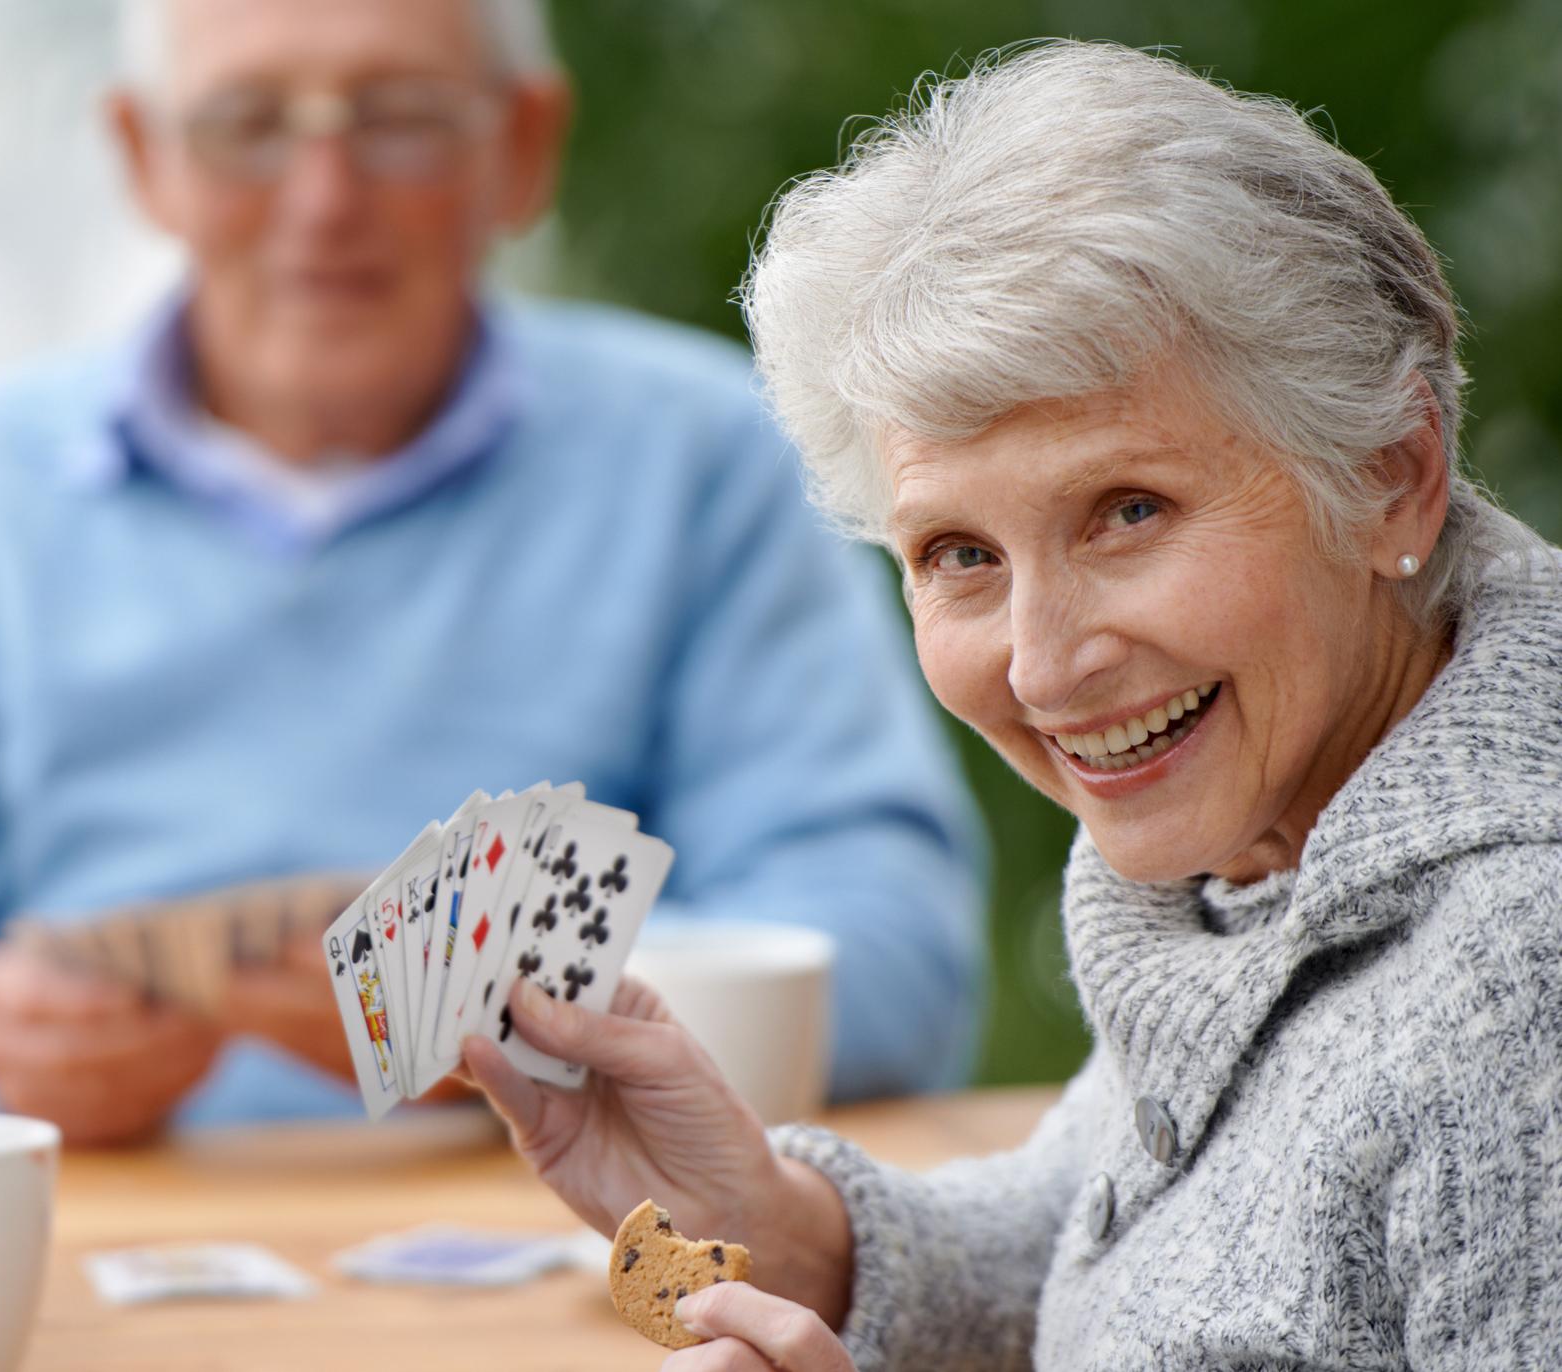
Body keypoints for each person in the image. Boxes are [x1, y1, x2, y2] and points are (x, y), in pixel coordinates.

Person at [460, 41, 1562, 1370]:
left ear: (1392, 480)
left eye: (1129, 512)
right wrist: (787, 1226)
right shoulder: (1281, 835)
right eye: (960, 556)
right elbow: (1125, 1241)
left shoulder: (1519, 979)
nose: (1042, 669)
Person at [0, 0, 986, 1143]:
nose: (324, 202)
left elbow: (893, 957)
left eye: (401, 119)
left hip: (578, 1278)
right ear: (146, 156)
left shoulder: (705, 458)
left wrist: (534, 1012)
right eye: (247, 122)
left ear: (523, 145)